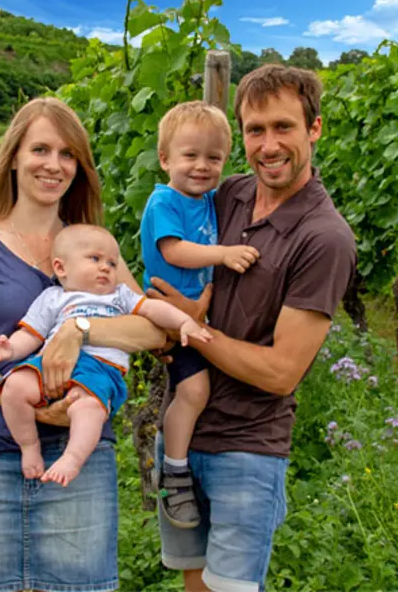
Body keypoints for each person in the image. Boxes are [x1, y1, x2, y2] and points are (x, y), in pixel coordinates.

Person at [0, 97, 166, 592]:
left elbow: (151, 330)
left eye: (68, 155)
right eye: (40, 149)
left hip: (80, 460)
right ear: (14, 156)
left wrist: (78, 330)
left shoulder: (93, 246)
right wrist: (34, 409)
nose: (53, 164)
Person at [147, 64, 357, 592]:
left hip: (247, 447)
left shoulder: (323, 238)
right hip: (185, 431)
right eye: (255, 130)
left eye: (283, 127)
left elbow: (282, 372)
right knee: (194, 584)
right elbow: (166, 263)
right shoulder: (228, 194)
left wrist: (191, 327)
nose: (268, 145)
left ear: (315, 129)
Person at [0, 224, 212, 488]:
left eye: (112, 264)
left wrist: (184, 322)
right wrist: (9, 349)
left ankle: (72, 457)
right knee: (13, 387)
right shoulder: (52, 297)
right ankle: (29, 445)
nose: (106, 267)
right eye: (95, 259)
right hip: (50, 362)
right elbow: (32, 335)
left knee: (88, 408)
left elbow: (152, 308)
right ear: (61, 268)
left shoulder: (121, 296)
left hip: (100, 368)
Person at [140, 101, 259, 529]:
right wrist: (224, 255)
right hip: (170, 315)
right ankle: (173, 471)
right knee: (192, 392)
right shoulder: (163, 202)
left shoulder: (210, 199)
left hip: (198, 315)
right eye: (190, 156)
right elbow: (175, 251)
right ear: (165, 159)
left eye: (214, 158)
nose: (202, 166)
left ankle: (180, 462)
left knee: (199, 393)